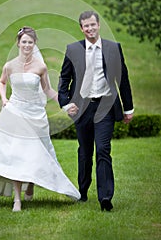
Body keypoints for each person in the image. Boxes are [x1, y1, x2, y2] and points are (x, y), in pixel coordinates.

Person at [0, 26, 80, 212]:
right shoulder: (10, 65)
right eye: (24, 42)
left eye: (30, 42)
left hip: (35, 113)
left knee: (38, 151)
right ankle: (17, 200)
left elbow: (47, 90)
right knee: (16, 154)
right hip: (15, 110)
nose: (27, 45)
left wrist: (65, 104)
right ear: (18, 43)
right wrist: (4, 99)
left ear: (34, 44)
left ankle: (31, 183)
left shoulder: (41, 67)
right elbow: (2, 81)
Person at [58, 11, 134, 211]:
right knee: (85, 152)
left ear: (98, 25)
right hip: (82, 108)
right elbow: (64, 79)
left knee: (102, 149)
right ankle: (83, 191)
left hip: (105, 106)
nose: (90, 29)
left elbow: (122, 79)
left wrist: (129, 108)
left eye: (93, 25)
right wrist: (66, 103)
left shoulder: (113, 48)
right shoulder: (73, 49)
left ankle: (105, 198)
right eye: (86, 26)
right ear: (81, 28)